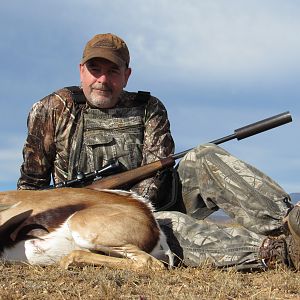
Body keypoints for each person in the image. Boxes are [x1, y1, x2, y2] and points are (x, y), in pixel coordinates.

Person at [18, 33, 300, 271]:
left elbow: (156, 172)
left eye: (113, 71)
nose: (102, 80)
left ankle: (289, 220)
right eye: (95, 69)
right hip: (95, 222)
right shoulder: (53, 109)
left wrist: (133, 208)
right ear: (81, 70)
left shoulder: (149, 107)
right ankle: (277, 252)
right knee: (172, 224)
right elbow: (30, 187)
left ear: (126, 75)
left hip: (153, 202)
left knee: (203, 154)